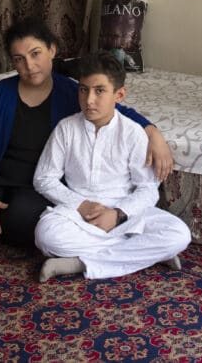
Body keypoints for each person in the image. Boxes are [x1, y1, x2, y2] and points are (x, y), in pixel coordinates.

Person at [0, 17, 174, 248]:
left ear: (52, 50)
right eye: (19, 59)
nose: (29, 65)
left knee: (24, 226)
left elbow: (116, 109)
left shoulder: (72, 92)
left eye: (35, 53)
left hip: (35, 187)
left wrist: (153, 133)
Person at [33, 51, 191, 281]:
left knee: (178, 234)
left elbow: (147, 188)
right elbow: (43, 179)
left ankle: (78, 263)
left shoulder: (133, 132)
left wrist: (117, 215)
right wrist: (83, 205)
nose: (89, 100)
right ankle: (146, 253)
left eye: (99, 91)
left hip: (125, 213)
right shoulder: (66, 129)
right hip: (79, 214)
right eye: (84, 89)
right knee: (46, 235)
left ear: (119, 95)